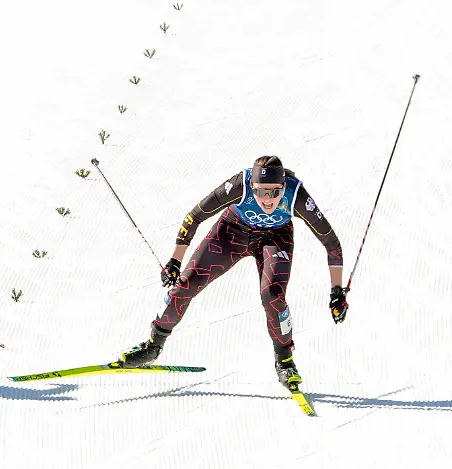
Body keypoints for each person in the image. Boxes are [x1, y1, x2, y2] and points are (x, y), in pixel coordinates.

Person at [119, 155, 348, 391]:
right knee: (184, 286)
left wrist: (337, 292)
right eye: (261, 192)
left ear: (284, 187)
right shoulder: (239, 185)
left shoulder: (296, 196)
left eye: (275, 192)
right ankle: (152, 347)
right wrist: (175, 261)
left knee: (273, 296)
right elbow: (194, 216)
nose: (268, 199)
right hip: (231, 232)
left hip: (275, 238)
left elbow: (331, 244)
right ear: (252, 186)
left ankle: (285, 362)